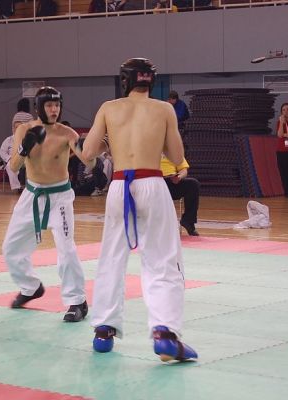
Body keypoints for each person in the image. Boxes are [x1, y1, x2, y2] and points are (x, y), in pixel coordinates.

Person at [82, 58, 198, 362]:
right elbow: (177, 156)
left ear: (125, 80)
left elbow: (88, 152)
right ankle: (165, 335)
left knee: (111, 257)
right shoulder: (164, 109)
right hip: (152, 183)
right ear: (151, 80)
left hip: (119, 186)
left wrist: (112, 139)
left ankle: (103, 331)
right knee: (163, 259)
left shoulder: (109, 108)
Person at [2, 86, 91, 322]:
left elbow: (89, 161)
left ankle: (77, 301)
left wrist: (90, 146)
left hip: (60, 197)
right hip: (31, 195)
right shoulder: (24, 130)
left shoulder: (67, 133)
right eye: (50, 105)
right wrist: (25, 147)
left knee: (66, 248)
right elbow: (14, 166)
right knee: (11, 248)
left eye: (57, 105)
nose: (54, 110)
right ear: (39, 107)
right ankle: (30, 287)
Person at [161, 155, 200, 236]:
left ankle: (188, 221)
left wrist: (179, 177)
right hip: (155, 183)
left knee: (193, 184)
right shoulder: (149, 150)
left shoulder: (173, 152)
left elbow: (183, 170)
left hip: (172, 182)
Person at [0, 111, 33, 193]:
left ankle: (31, 187)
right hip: (13, 159)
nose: (17, 129)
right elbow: (2, 151)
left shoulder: (28, 139)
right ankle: (17, 187)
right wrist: (9, 158)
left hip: (26, 160)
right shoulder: (9, 140)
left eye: (19, 127)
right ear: (13, 128)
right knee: (10, 166)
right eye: (16, 127)